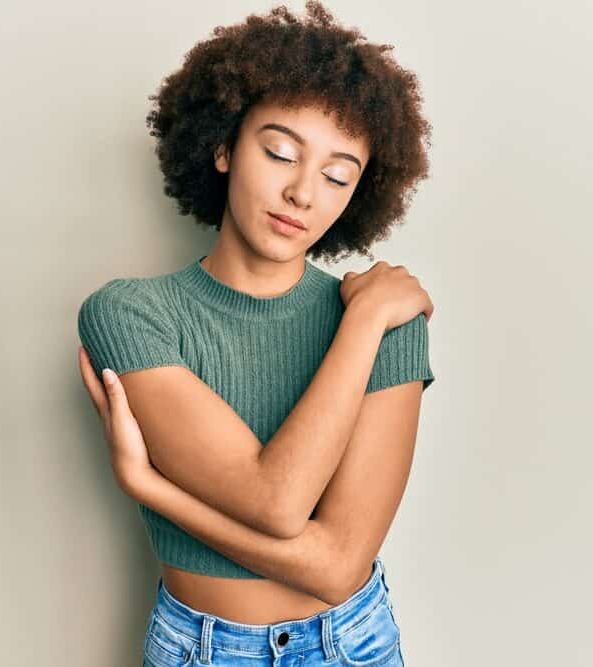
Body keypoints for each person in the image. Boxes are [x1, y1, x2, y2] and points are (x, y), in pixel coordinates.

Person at [76, 3, 436, 664]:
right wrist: (363, 324)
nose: (303, 192)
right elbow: (276, 501)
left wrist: (149, 484)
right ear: (222, 147)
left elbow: (335, 567)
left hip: (352, 644)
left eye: (336, 176)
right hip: (200, 648)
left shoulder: (386, 320)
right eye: (279, 152)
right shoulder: (129, 315)